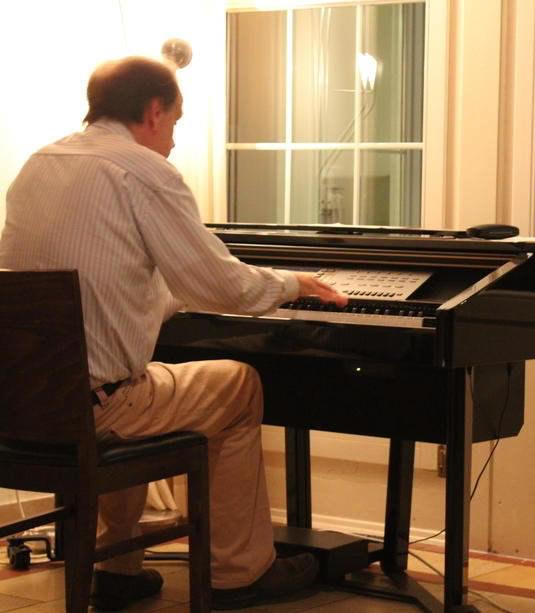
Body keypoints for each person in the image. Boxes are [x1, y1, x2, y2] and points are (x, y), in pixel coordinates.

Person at [0, 57, 347, 610]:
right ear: (154, 110)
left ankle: (117, 569)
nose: (174, 141)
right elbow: (225, 287)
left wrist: (180, 289)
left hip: (23, 407)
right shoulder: (143, 171)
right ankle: (239, 572)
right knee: (237, 385)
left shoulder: (36, 166)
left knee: (126, 379)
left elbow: (107, 294)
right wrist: (292, 283)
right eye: (177, 123)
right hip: (101, 409)